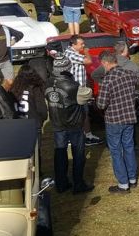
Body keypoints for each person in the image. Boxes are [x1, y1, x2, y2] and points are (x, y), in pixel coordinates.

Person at [46, 56, 93, 194]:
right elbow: (86, 95)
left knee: (59, 153)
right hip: (73, 123)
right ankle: (78, 184)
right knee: (78, 155)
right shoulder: (72, 86)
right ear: (67, 68)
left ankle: (61, 183)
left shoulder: (48, 82)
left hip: (56, 123)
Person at [96, 53, 139, 193]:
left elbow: (101, 104)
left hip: (114, 120)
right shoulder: (130, 73)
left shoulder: (107, 80)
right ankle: (132, 178)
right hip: (129, 117)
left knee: (116, 151)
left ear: (105, 63)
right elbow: (138, 86)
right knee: (129, 147)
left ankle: (123, 184)